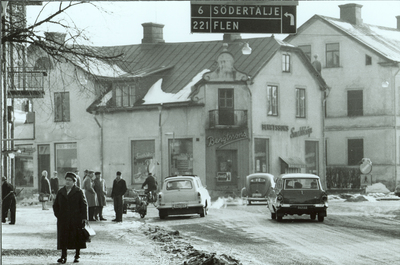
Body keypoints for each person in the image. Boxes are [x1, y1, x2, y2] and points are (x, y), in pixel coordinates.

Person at [53, 172, 88, 264]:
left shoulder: (78, 191)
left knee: (76, 237)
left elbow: (84, 205)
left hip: (75, 219)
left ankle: (77, 255)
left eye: (70, 180)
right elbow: (55, 205)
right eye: (66, 180)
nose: (67, 182)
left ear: (74, 182)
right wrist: (58, 215)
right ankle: (63, 256)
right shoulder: (61, 192)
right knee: (63, 237)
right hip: (63, 219)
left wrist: (84, 218)